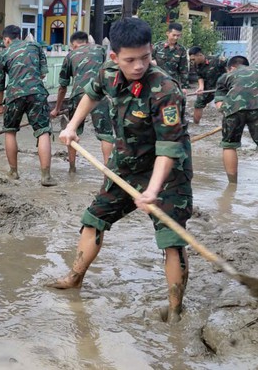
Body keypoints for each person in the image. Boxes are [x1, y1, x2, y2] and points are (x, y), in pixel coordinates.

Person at [49, 18, 193, 323]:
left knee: (172, 239)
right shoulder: (109, 72)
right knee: (94, 219)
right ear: (114, 57)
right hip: (125, 164)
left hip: (166, 173)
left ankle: (175, 309)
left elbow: (168, 148)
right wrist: (73, 127)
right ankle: (74, 278)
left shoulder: (165, 89)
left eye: (145, 57)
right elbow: (91, 93)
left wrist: (152, 191)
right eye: (130, 59)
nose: (139, 65)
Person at [0, 25, 56, 186]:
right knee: (43, 132)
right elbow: (42, 73)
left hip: (14, 95)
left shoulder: (3, 54)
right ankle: (46, 176)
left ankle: (13, 172)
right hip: (37, 93)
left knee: (10, 131)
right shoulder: (35, 46)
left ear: (7, 39)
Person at [50, 31, 114, 172]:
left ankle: (72, 168)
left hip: (78, 94)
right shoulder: (100, 49)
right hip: (100, 94)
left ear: (74, 45)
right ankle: (108, 171)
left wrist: (56, 108)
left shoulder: (70, 55)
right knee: (106, 135)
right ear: (88, 41)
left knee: (72, 131)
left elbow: (62, 87)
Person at [214, 55, 258, 184]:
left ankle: (232, 185)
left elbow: (219, 105)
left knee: (229, 145)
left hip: (233, 108)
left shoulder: (225, 76)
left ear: (231, 68)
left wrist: (228, 114)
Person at [189, 46, 228, 124]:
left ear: (200, 55)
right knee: (198, 103)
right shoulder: (196, 64)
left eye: (193, 59)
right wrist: (201, 87)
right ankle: (196, 124)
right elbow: (200, 76)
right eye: (191, 59)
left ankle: (229, 123)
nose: (192, 61)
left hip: (222, 87)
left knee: (223, 105)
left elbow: (230, 69)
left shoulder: (217, 60)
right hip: (208, 87)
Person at [152, 22, 189, 92]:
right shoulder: (157, 46)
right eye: (174, 35)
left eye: (178, 35)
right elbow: (148, 59)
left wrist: (184, 87)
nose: (176, 38)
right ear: (167, 33)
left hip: (172, 83)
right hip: (157, 82)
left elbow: (184, 69)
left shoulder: (181, 50)